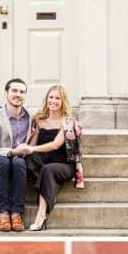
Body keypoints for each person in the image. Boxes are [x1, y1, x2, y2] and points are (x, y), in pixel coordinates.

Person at [26, 84, 83, 231]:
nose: (53, 101)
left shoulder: (68, 121)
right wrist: (28, 149)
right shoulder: (39, 119)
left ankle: (41, 215)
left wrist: (31, 149)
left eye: (57, 98)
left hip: (63, 164)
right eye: (51, 97)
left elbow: (55, 145)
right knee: (27, 160)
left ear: (63, 101)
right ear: (46, 100)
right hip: (43, 162)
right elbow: (32, 144)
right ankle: (50, 188)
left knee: (47, 170)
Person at [0, 77, 32, 232]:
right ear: (6, 94)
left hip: (19, 165)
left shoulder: (32, 117)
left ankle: (16, 214)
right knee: (4, 161)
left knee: (18, 162)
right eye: (14, 91)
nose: (18, 94)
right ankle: (3, 215)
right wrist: (11, 152)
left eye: (22, 92)